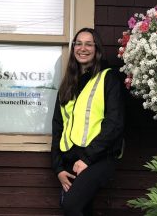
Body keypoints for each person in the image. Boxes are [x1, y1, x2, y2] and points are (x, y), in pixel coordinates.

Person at [51, 27, 124, 216]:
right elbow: (58, 128)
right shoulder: (68, 85)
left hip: (98, 158)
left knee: (71, 206)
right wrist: (58, 168)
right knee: (82, 209)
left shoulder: (109, 78)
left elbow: (114, 123)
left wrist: (87, 158)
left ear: (97, 49)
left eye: (88, 44)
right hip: (70, 161)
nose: (83, 48)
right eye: (78, 43)